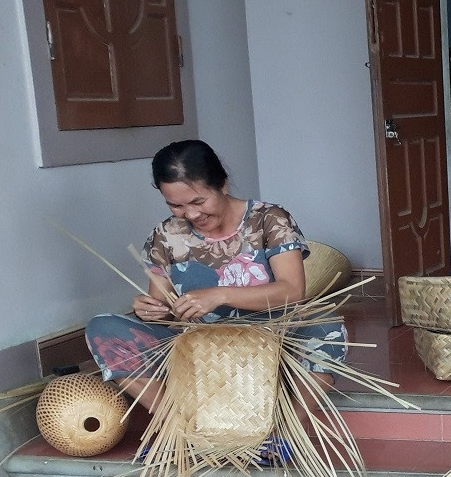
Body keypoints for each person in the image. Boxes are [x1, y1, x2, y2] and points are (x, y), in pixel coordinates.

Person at [85, 139, 346, 459]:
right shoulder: (166, 236)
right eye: (176, 205)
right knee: (104, 329)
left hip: (271, 337)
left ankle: (278, 434)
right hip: (196, 347)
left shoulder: (269, 220)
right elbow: (166, 311)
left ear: (221, 183)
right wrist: (149, 309)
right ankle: (179, 430)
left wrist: (220, 294)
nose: (190, 214)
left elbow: (293, 290)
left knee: (327, 328)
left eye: (198, 200)